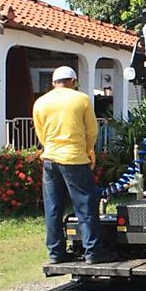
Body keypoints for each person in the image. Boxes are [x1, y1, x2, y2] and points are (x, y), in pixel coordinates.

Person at [33, 66, 117, 265]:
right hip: (75, 159)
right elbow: (92, 131)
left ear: (53, 83)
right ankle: (93, 252)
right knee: (85, 206)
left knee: (53, 208)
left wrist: (50, 148)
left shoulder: (41, 102)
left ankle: (56, 253)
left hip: (50, 160)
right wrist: (88, 151)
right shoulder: (82, 99)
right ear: (73, 81)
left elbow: (40, 133)